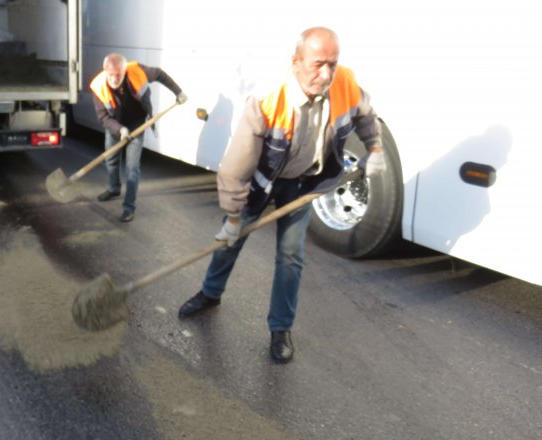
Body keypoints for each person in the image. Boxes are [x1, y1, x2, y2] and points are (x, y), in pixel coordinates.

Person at [177, 27, 387, 363]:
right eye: (319, 64)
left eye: (332, 64)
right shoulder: (267, 102)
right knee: (230, 240)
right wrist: (233, 218)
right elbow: (235, 169)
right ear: (296, 61)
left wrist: (374, 148)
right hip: (264, 181)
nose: (327, 73)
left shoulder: (344, 83)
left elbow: (366, 113)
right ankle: (210, 293)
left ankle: (280, 327)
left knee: (290, 257)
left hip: (305, 183)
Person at [90, 53, 187, 222]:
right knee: (111, 160)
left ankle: (129, 208)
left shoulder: (137, 71)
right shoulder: (98, 87)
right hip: (115, 126)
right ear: (105, 71)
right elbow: (104, 118)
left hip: (136, 124)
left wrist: (178, 92)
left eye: (118, 75)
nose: (114, 79)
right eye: (110, 75)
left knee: (132, 169)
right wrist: (120, 130)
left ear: (124, 70)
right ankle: (113, 188)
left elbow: (160, 74)